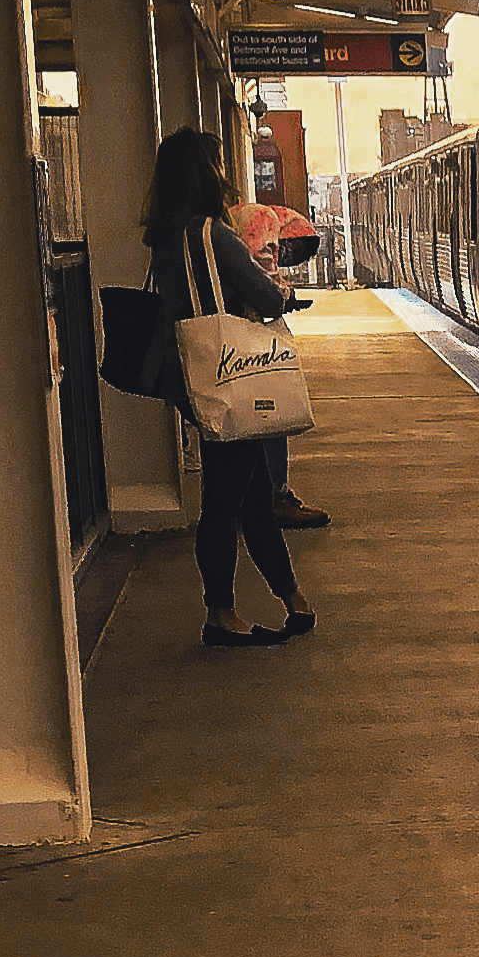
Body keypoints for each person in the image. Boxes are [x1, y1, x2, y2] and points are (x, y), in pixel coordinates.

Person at [143, 129, 317, 650]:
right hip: (232, 376)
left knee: (250, 493)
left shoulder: (165, 236)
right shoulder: (212, 233)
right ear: (204, 174)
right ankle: (221, 613)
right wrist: (282, 292)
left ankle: (293, 600)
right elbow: (262, 296)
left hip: (195, 378)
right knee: (227, 502)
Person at [226, 199, 331, 529]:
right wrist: (282, 292)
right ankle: (275, 497)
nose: (285, 258)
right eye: (291, 252)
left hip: (233, 326)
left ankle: (262, 496)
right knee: (269, 412)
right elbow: (262, 264)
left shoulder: (236, 219)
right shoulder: (262, 217)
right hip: (243, 332)